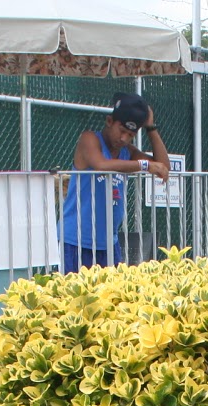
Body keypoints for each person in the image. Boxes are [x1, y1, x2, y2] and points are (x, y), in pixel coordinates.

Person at [60, 92, 170, 273]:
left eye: (131, 135)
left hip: (109, 244)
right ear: (109, 121)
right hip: (76, 241)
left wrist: (151, 128)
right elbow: (101, 165)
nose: (124, 139)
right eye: (122, 131)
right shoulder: (89, 139)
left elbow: (163, 166)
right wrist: (144, 165)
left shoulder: (127, 151)